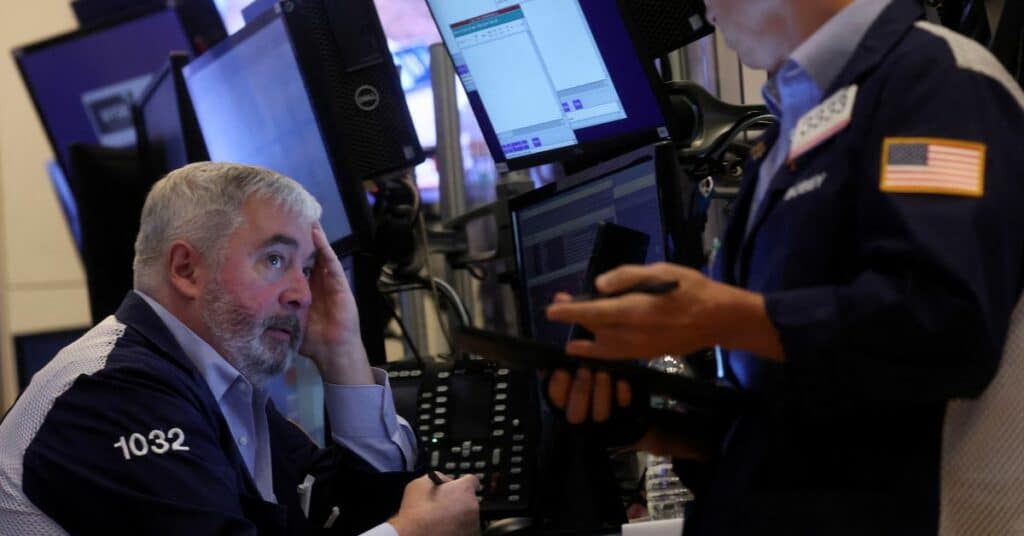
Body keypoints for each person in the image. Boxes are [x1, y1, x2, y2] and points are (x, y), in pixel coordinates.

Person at [545, 0, 1024, 534]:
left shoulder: (937, 85)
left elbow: (943, 327)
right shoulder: (789, 132)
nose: (702, 7)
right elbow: (794, 411)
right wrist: (647, 418)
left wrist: (726, 317)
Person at [0, 162, 480, 535]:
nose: (303, 293)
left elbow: (348, 512)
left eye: (307, 267)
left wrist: (342, 353)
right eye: (275, 259)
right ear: (186, 269)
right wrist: (412, 531)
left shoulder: (213, 383)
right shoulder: (113, 393)